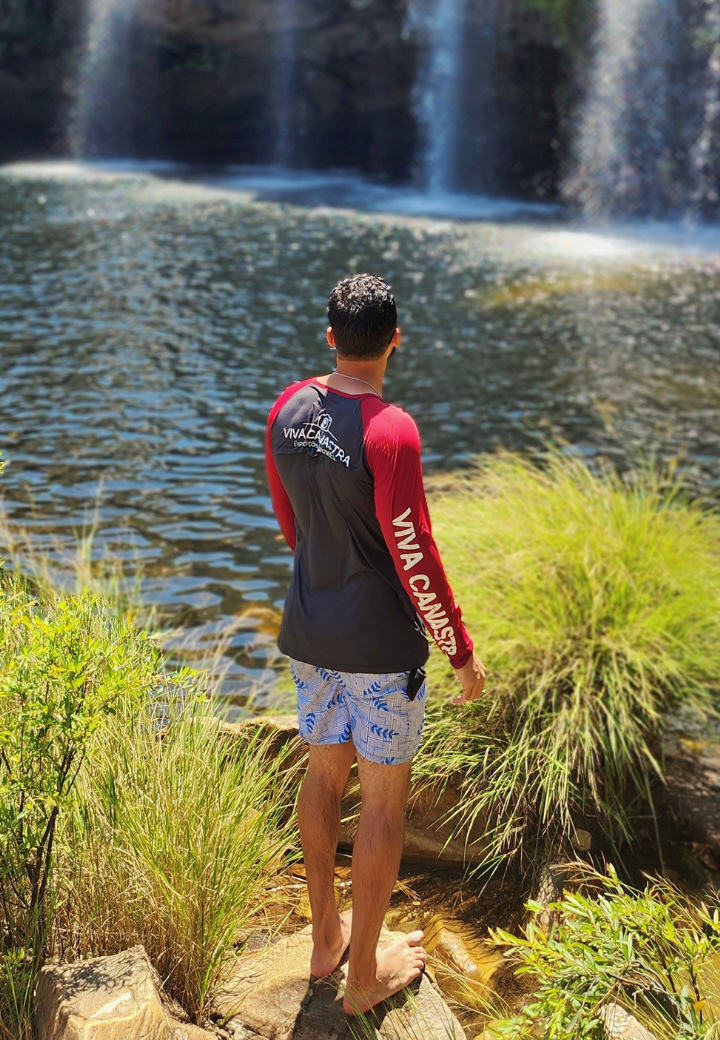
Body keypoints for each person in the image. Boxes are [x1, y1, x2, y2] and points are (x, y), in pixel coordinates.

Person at [265, 273, 486, 1016]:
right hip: (381, 650)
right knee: (384, 803)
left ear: (331, 337)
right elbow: (412, 549)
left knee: (323, 776)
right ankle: (362, 976)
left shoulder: (287, 408)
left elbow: (291, 523)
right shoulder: (391, 429)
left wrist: (325, 581)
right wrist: (458, 648)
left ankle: (325, 940)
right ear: (395, 340)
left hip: (310, 628)